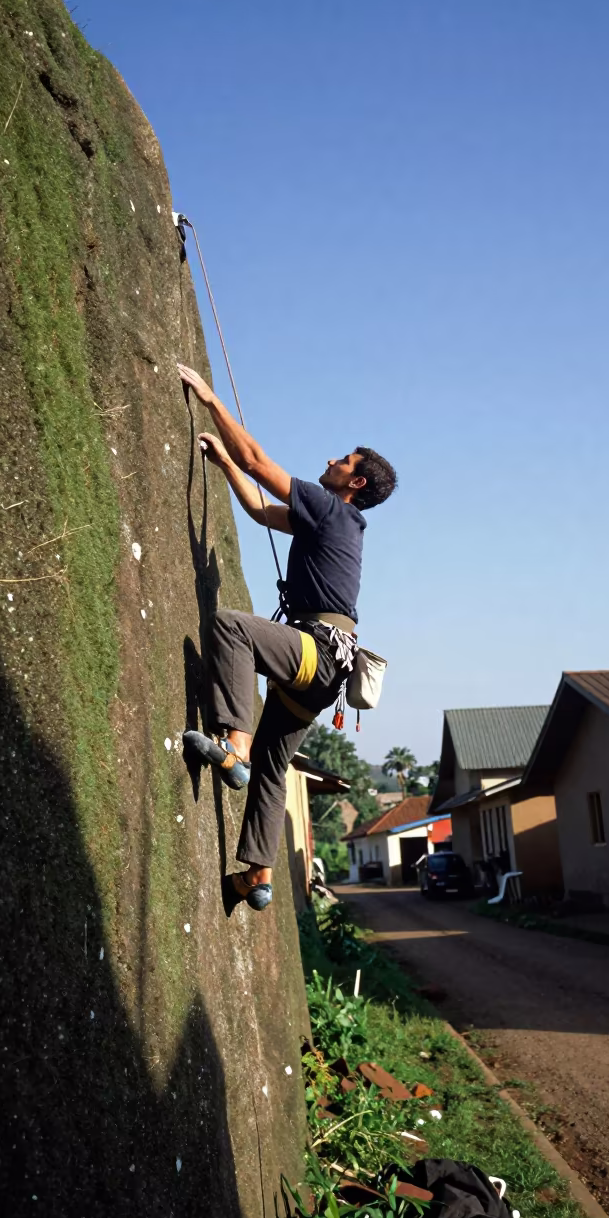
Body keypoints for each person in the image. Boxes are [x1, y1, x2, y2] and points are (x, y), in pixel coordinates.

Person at [177, 362, 397, 913]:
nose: (330, 460)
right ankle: (257, 875)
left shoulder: (330, 510)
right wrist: (224, 462)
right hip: (323, 675)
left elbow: (259, 462)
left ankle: (232, 746)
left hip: (316, 653)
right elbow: (256, 508)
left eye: (342, 460)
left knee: (231, 626)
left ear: (356, 482)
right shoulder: (329, 522)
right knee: (275, 768)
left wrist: (209, 397)